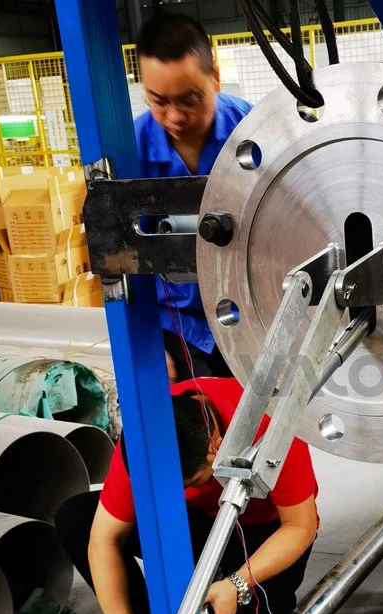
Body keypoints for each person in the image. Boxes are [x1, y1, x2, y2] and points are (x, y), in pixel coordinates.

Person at [55, 377, 319, 614]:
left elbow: (300, 526)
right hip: (193, 523)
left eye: (196, 481)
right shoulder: (144, 435)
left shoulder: (270, 421)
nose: (189, 487)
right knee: (76, 517)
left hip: (263, 529)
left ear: (216, 445)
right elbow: (102, 540)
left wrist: (237, 583)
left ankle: (225, 593)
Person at [134, 11, 252, 380]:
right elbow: (122, 259)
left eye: (189, 100)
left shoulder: (251, 132)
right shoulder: (132, 150)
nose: (174, 116)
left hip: (252, 321)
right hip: (178, 332)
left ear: (214, 77)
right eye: (159, 101)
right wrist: (148, 341)